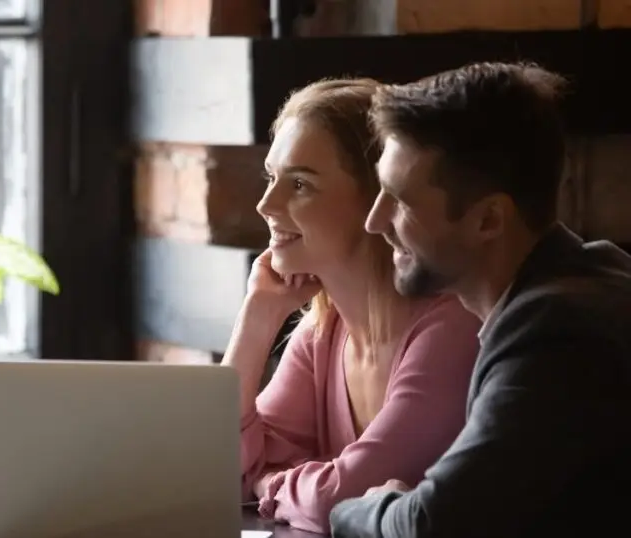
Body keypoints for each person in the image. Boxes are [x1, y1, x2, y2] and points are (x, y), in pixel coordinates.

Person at [331, 62, 631, 537]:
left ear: (489, 220)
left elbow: (434, 525)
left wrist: (361, 508)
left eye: (400, 200)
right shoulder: (593, 275)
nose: (374, 221)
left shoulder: (554, 333)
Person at [224, 78, 482, 534]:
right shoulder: (322, 333)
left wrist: (269, 485)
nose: (266, 204)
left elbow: (340, 498)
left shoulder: (451, 330)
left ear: (377, 199)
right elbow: (218, 469)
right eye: (271, 177)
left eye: (300, 183)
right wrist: (257, 318)